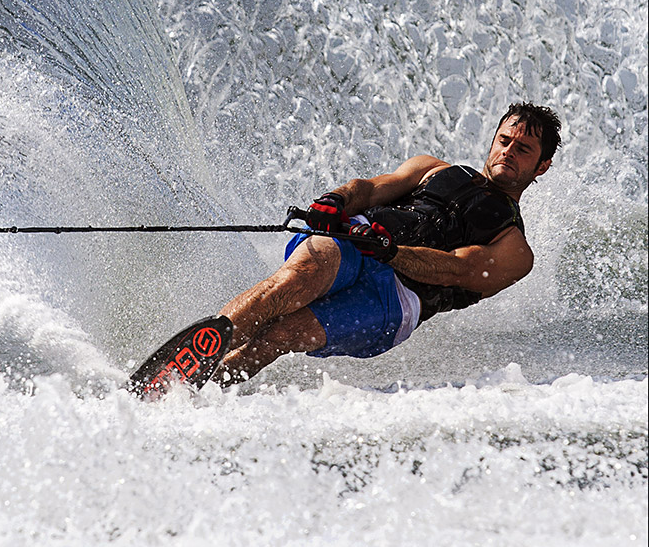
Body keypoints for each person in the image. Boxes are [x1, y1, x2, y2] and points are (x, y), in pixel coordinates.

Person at [215, 102, 562, 386]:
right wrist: (336, 199)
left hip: (396, 299)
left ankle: (198, 384)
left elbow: (456, 269)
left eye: (523, 149)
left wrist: (392, 253)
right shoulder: (432, 168)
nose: (508, 152)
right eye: (504, 141)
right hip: (354, 240)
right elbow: (370, 189)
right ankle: (201, 348)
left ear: (542, 166)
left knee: (282, 334)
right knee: (291, 283)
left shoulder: (515, 250)